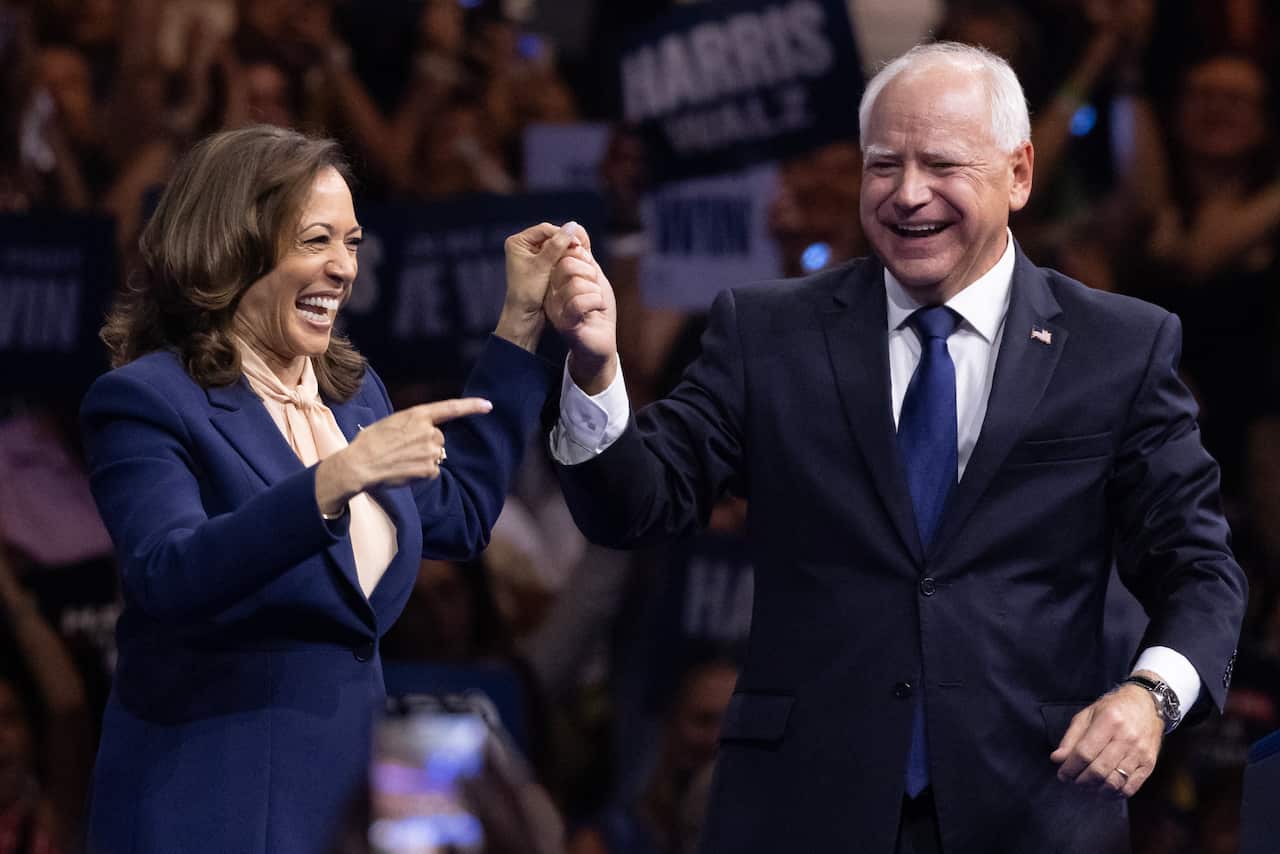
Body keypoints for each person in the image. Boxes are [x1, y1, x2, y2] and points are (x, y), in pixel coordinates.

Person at [541, 43, 1247, 854]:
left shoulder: (1118, 346)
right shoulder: (767, 330)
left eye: (941, 163)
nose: (909, 195)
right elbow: (635, 505)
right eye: (885, 166)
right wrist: (596, 370)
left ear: (1018, 174)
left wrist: (1149, 697)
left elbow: (1201, 570)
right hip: (800, 808)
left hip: (1033, 808)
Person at [79, 124, 573, 854]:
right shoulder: (148, 400)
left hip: (344, 803)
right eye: (316, 241)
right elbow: (168, 572)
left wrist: (521, 324)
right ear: (234, 246)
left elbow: (462, 516)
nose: (343, 268)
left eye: (352, 242)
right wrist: (334, 480)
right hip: (209, 802)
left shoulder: (353, 396)